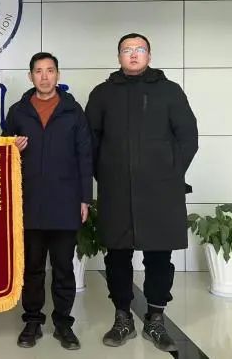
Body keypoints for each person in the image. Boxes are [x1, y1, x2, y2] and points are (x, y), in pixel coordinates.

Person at [85, 33, 198, 352]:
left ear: (149, 55)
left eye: (139, 49)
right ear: (118, 56)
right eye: (127, 50)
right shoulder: (103, 94)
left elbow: (188, 137)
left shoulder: (170, 91)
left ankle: (155, 318)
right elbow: (90, 142)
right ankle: (122, 317)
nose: (133, 54)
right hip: (117, 191)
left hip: (160, 191)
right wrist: (108, 174)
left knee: (159, 256)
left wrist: (169, 173)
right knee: (117, 256)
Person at [3, 52, 93, 350]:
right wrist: (12, 147)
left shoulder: (73, 111)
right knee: (32, 268)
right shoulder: (18, 112)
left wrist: (85, 198)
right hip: (28, 202)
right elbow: (1, 155)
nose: (44, 76)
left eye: (50, 70)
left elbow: (85, 157)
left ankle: (64, 324)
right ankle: (32, 321)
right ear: (30, 76)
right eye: (38, 71)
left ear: (58, 75)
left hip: (65, 201)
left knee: (64, 267)